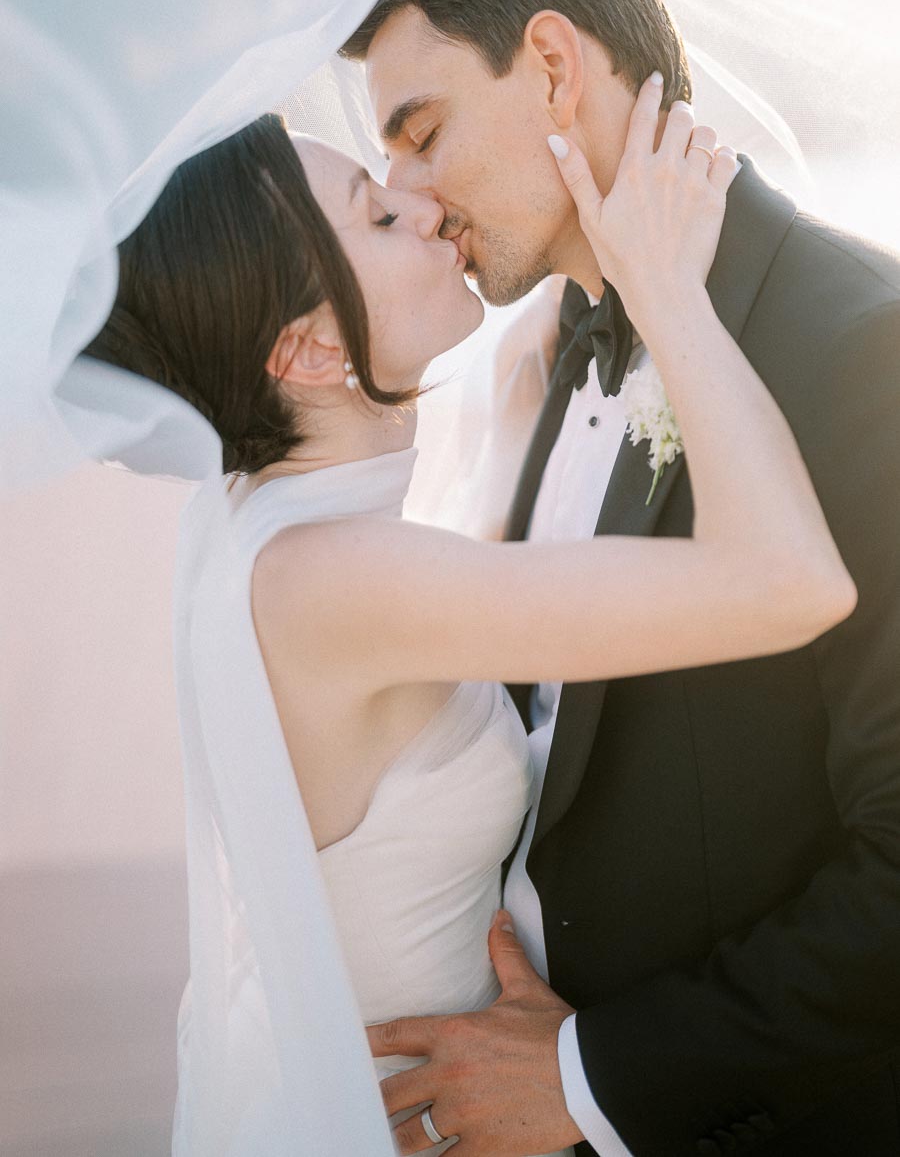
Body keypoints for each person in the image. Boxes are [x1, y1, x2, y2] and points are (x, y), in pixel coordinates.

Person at [82, 86, 854, 1155]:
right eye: (377, 215)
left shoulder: (281, 530)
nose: (427, 209)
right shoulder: (332, 581)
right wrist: (668, 292)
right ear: (306, 353)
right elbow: (788, 583)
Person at [340, 0, 900, 1156]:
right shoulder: (562, 348)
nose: (412, 201)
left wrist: (591, 1077)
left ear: (552, 63)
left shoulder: (863, 349)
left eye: (422, 136)